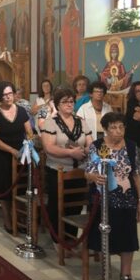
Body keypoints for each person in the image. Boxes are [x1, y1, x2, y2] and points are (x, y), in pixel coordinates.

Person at [85, 112, 140, 280]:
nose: (118, 131)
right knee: (105, 236)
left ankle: (126, 275)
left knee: (128, 237)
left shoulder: (131, 146)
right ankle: (106, 274)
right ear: (105, 129)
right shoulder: (97, 146)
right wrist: (95, 177)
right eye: (113, 127)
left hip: (127, 199)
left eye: (121, 127)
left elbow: (136, 174)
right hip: (103, 200)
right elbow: (88, 173)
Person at [41, 88, 92, 248]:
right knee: (58, 206)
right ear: (57, 104)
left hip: (79, 171)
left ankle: (70, 238)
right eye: (65, 102)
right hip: (58, 170)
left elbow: (90, 143)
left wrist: (85, 151)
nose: (69, 104)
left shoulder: (81, 121)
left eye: (71, 101)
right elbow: (49, 147)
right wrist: (70, 153)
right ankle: (58, 239)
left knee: (76, 206)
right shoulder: (51, 122)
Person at [0, 81, 32, 232]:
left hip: (20, 154)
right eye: (4, 95)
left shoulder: (21, 111)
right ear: (0, 97)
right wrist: (11, 150)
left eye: (10, 94)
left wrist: (30, 143)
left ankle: (20, 217)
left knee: (21, 186)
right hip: (2, 155)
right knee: (5, 187)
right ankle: (8, 219)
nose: (8, 97)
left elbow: (29, 132)